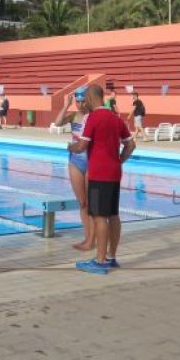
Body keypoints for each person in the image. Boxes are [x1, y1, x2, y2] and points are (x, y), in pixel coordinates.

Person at [68, 85, 135, 274]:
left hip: (99, 174)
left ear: (90, 98)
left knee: (99, 217)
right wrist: (119, 160)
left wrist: (70, 148)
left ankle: (100, 261)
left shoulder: (94, 118)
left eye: (85, 99)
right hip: (114, 173)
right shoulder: (116, 119)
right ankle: (112, 257)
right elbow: (131, 145)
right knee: (113, 215)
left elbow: (81, 146)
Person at [53, 87, 93, 251]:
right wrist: (66, 105)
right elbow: (57, 122)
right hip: (75, 162)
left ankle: (93, 238)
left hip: (92, 161)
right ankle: (87, 237)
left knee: (91, 204)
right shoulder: (73, 116)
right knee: (82, 203)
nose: (81, 104)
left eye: (83, 101)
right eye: (78, 101)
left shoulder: (94, 116)